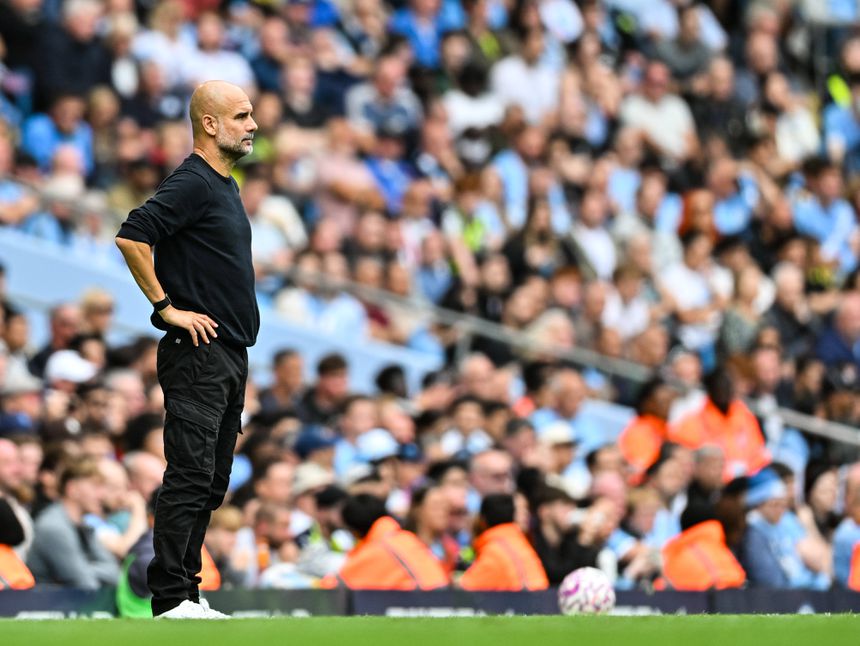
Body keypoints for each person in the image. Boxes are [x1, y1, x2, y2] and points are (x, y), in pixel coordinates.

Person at [115, 80, 260, 619]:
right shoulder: (195, 181)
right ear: (210, 124)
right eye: (242, 116)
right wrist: (166, 307)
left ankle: (188, 593)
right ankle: (171, 597)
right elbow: (133, 234)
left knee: (212, 480)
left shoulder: (225, 185)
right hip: (197, 351)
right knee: (190, 475)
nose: (252, 125)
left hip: (228, 353)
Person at [321, 494, 449, 590]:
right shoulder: (407, 538)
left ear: (354, 531)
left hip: (427, 615)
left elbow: (331, 587)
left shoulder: (376, 551)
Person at [26, 458, 119, 589]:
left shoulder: (83, 525)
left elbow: (115, 573)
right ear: (72, 489)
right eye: (95, 486)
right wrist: (84, 570)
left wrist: (85, 568)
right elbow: (85, 585)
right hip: (47, 606)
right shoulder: (53, 527)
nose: (102, 495)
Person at [461, 493, 548, 591]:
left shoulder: (495, 550)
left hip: (521, 604)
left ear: (483, 520)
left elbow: (465, 589)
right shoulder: (520, 543)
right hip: (536, 603)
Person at [660, 504, 745, 591]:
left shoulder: (677, 553)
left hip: (706, 598)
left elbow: (659, 589)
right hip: (739, 595)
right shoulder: (719, 547)